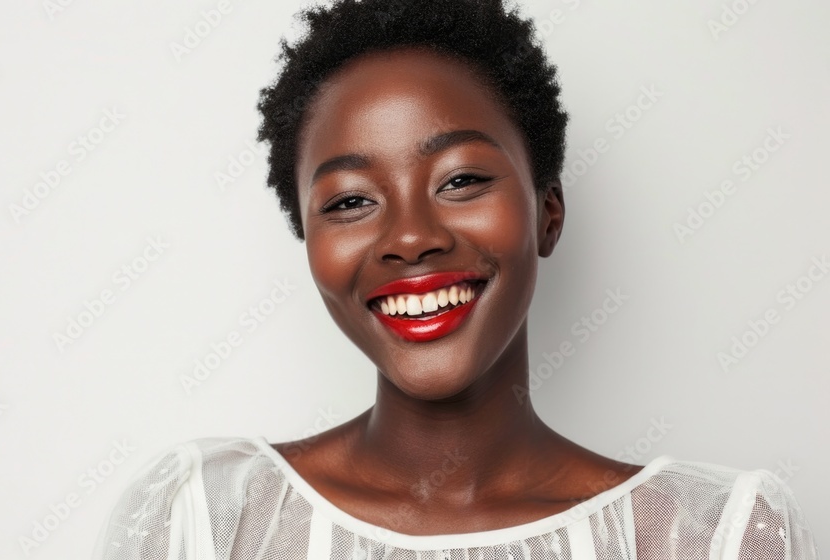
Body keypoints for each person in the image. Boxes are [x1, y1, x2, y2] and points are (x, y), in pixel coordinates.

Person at [92, 0, 820, 558]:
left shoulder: (711, 534)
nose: (410, 238)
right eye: (350, 201)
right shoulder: (211, 517)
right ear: (308, 240)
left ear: (548, 212)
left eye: (462, 180)